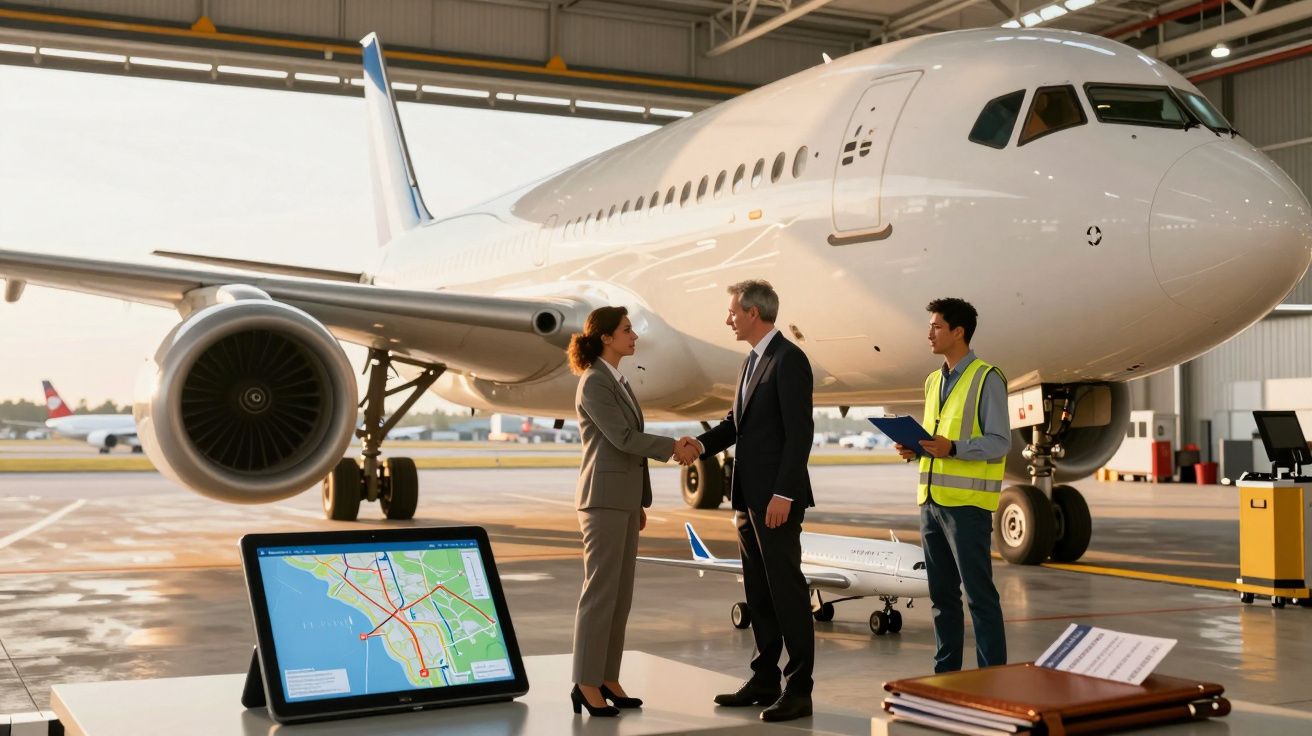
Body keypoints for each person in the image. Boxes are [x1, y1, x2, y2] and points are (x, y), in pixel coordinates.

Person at [681, 280, 815, 723]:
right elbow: (734, 424)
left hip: (775, 499)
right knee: (758, 591)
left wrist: (784, 493)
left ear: (753, 313)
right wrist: (699, 446)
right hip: (747, 498)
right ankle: (764, 678)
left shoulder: (789, 360)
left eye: (733, 312)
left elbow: (799, 436)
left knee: (787, 592)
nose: (728, 319)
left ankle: (798, 689)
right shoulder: (752, 361)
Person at [567, 305, 698, 717]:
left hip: (621, 501)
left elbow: (627, 448)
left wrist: (640, 501)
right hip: (602, 500)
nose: (634, 336)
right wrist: (672, 447)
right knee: (600, 594)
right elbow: (624, 438)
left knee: (620, 597)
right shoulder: (594, 383)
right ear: (605, 336)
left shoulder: (617, 380)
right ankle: (585, 682)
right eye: (626, 330)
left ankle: (607, 676)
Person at [895, 297, 1009, 673]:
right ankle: (946, 677)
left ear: (958, 332)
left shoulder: (986, 377)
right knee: (942, 597)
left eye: (936, 326)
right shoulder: (932, 381)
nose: (929, 333)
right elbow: (938, 439)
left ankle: (992, 679)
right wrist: (916, 449)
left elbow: (999, 441)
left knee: (980, 598)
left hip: (967, 506)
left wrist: (954, 448)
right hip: (929, 501)